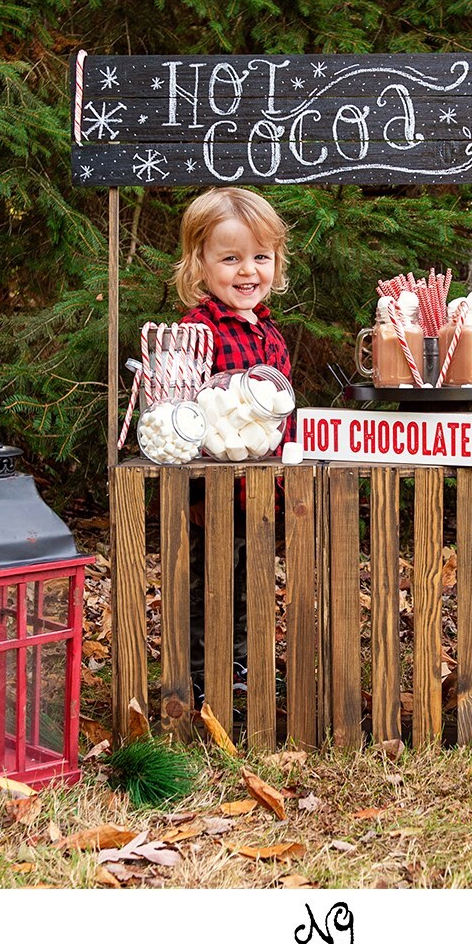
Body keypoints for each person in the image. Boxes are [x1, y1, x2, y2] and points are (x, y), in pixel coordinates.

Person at [172, 186, 292, 710]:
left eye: (260, 257)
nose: (248, 271)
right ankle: (201, 671)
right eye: (231, 258)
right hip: (213, 492)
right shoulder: (195, 333)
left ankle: (241, 663)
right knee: (208, 581)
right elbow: (181, 417)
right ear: (200, 265)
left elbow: (280, 413)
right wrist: (195, 490)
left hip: (263, 489)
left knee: (251, 578)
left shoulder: (269, 333)